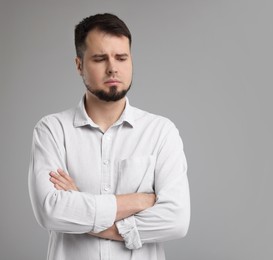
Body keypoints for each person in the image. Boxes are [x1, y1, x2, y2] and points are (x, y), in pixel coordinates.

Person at [28, 13, 190, 260]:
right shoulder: (52, 130)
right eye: (99, 58)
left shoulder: (161, 132)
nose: (113, 67)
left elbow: (176, 220)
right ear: (79, 64)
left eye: (121, 58)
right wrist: (139, 201)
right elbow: (50, 212)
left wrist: (80, 208)